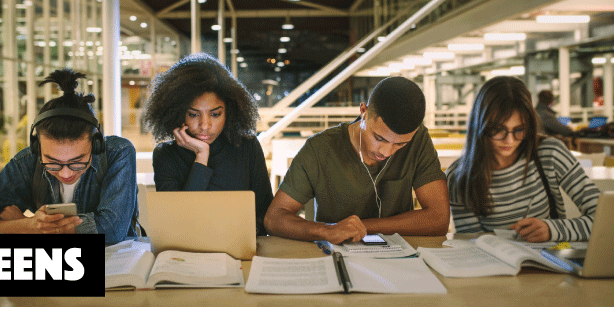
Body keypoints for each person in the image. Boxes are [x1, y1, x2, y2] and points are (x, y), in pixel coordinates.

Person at [0, 69, 140, 243]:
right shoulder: (26, 162)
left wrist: (25, 227)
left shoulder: (118, 153)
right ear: (37, 147)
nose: (66, 174)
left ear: (96, 143)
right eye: (52, 163)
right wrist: (29, 225)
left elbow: (113, 230)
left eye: (77, 162)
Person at [264, 76, 450, 245]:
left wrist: (363, 226)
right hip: (336, 257)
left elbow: (439, 218)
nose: (386, 152)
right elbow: (274, 218)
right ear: (363, 111)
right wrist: (327, 230)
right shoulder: (320, 149)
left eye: (400, 145)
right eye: (379, 138)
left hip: (399, 260)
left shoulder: (418, 140)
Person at [446, 76, 600, 242]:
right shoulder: (459, 177)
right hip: (496, 266)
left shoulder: (550, 153)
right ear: (480, 126)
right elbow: (473, 245)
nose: (510, 140)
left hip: (554, 262)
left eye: (519, 130)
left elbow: (607, 219)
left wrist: (552, 230)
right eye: (498, 130)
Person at [141, 53, 273, 236]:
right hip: (187, 254)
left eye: (215, 114)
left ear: (230, 111)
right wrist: (201, 156)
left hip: (240, 251)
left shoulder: (247, 147)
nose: (205, 125)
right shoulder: (165, 155)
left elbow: (266, 216)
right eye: (194, 114)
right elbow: (179, 223)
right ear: (177, 113)